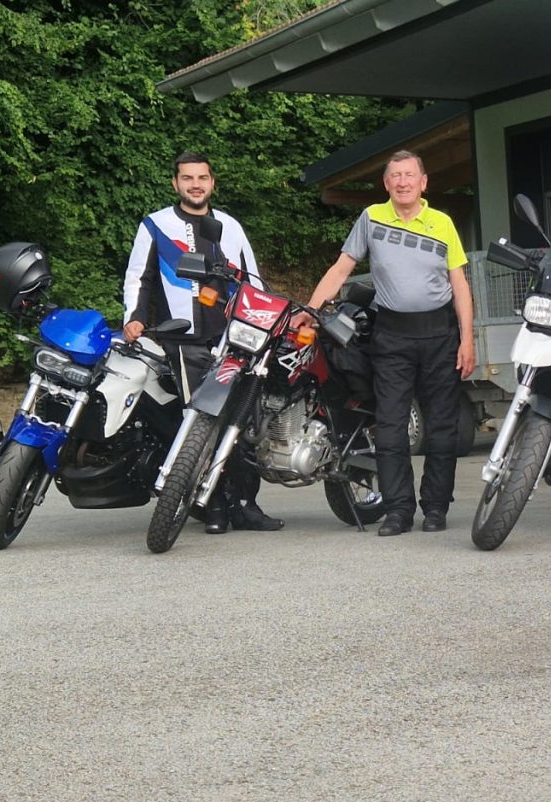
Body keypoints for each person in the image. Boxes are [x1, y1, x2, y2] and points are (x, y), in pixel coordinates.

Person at [301, 150, 475, 535]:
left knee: (442, 427)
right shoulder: (372, 218)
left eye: (409, 175)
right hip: (391, 335)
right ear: (386, 183)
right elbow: (341, 269)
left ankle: (435, 508)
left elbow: (460, 285)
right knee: (391, 426)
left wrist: (467, 340)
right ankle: (398, 510)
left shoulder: (442, 223)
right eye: (395, 176)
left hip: (439, 334)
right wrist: (311, 310)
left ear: (423, 182)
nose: (402, 182)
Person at [122, 151, 283, 534]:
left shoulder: (230, 226)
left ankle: (245, 505)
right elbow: (139, 277)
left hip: (235, 340)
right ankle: (213, 505)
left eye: (202, 178)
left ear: (212, 183)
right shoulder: (155, 225)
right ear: (175, 183)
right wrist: (134, 317)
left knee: (239, 422)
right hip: (183, 339)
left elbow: (253, 281)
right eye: (187, 178)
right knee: (200, 420)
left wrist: (264, 327)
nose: (195, 185)